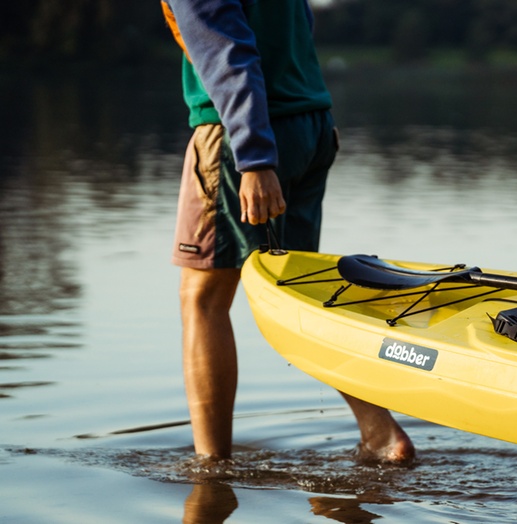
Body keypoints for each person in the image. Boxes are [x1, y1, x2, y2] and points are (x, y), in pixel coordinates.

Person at [161, 0, 414, 464]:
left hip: (244, 138)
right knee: (300, 297)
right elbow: (298, 23)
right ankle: (380, 434)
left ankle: (211, 467)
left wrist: (255, 158)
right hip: (307, 121)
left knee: (202, 299)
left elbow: (227, 50)